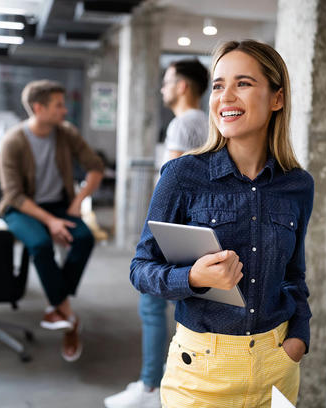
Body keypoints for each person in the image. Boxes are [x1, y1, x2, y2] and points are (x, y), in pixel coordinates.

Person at [129, 40, 314, 407]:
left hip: (276, 365)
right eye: (218, 85)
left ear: (277, 98)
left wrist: (299, 338)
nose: (225, 96)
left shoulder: (297, 185)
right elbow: (140, 269)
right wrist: (194, 278)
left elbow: (294, 274)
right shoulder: (182, 175)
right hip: (201, 371)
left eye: (243, 83)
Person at [104, 59, 209, 408]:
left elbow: (170, 185)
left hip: (176, 229)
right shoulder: (207, 124)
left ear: (183, 86)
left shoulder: (182, 125)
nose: (162, 88)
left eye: (167, 81)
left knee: (151, 303)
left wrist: (155, 231)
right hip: (199, 226)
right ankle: (167, 379)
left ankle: (151, 385)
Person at [0, 79, 104, 362]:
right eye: (58, 105)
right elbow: (15, 195)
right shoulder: (12, 142)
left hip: (60, 204)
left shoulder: (66, 133)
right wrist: (50, 222)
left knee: (84, 238)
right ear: (38, 108)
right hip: (20, 208)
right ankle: (67, 314)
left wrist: (77, 201)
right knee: (41, 243)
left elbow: (95, 167)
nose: (65, 110)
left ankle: (56, 304)